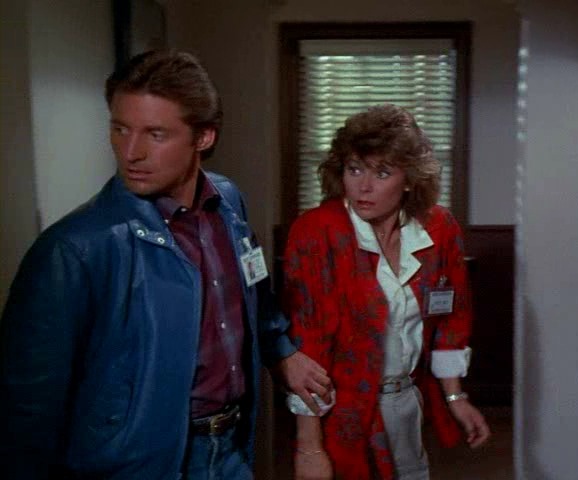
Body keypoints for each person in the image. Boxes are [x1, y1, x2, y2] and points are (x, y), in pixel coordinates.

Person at [0, 49, 331, 479]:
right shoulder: (74, 248)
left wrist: (281, 351)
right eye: (120, 129)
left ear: (203, 137)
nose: (130, 152)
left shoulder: (227, 202)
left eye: (155, 134)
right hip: (137, 465)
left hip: (229, 450)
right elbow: (27, 409)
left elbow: (251, 293)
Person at [283, 104, 491, 480]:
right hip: (340, 413)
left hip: (407, 401)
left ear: (409, 179)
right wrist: (309, 447)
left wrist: (455, 397)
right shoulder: (317, 231)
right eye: (354, 169)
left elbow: (451, 319)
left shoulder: (439, 228)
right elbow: (308, 344)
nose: (363, 187)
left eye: (382, 173)